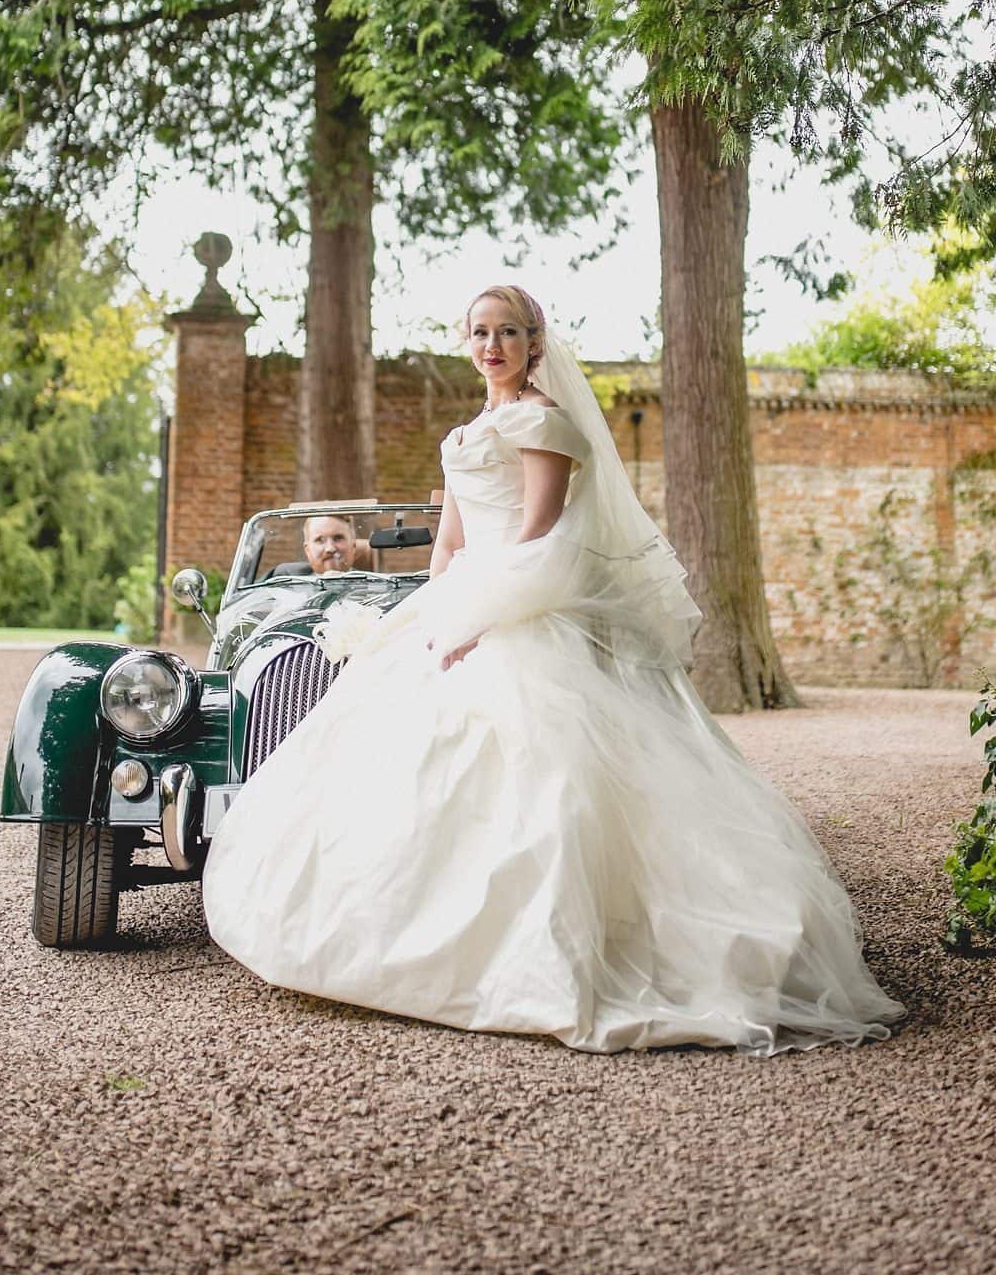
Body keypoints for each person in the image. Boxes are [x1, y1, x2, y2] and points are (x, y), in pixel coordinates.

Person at [203, 284, 904, 1055]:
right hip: (461, 602)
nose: (492, 344)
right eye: (479, 331)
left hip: (525, 613)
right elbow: (452, 542)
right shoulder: (467, 431)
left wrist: (483, 616)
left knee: (548, 783)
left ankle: (554, 958)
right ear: (465, 342)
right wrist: (435, 611)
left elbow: (542, 534)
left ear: (534, 343)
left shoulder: (543, 421)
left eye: (508, 331)